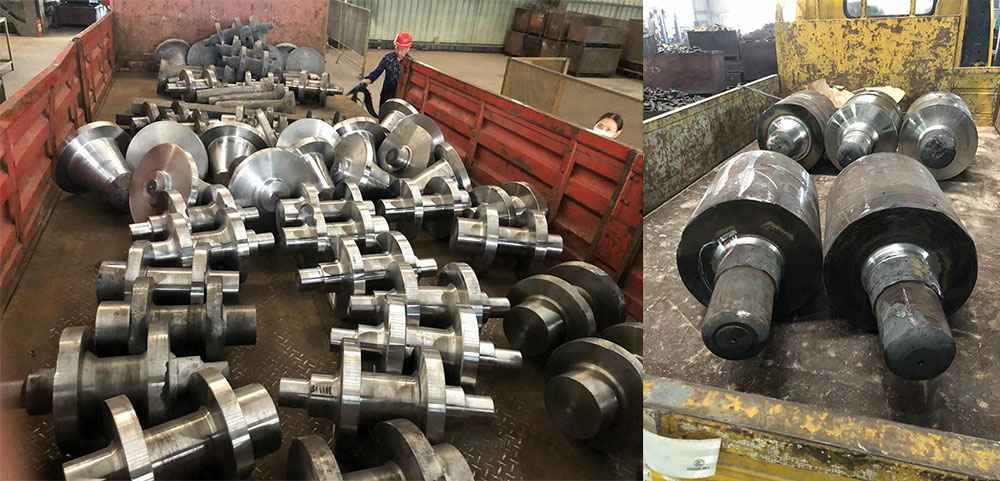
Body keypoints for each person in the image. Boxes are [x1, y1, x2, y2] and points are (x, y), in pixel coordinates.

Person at [361, 31, 413, 110]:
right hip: (386, 94)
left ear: (408, 48)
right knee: (383, 112)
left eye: (402, 50)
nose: (399, 52)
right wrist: (368, 79)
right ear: (395, 46)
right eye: (397, 48)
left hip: (400, 98)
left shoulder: (410, 64)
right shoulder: (388, 58)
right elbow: (377, 71)